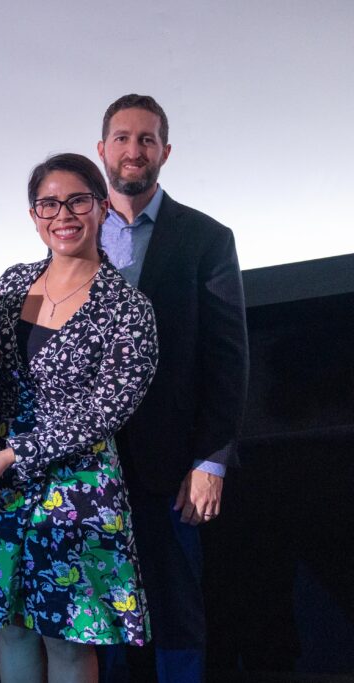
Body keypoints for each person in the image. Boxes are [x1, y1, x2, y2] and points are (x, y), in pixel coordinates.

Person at [0, 153, 159, 683]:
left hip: (76, 488)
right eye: (48, 204)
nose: (64, 214)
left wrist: (15, 455)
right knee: (11, 626)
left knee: (65, 637)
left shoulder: (128, 308)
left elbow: (108, 409)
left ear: (103, 208)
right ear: (34, 216)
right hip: (1, 481)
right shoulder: (14, 283)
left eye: (78, 200)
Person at [96, 94, 249, 682]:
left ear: (165, 151)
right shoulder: (71, 234)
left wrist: (211, 460)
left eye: (146, 139)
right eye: (123, 138)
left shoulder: (206, 238)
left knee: (176, 620)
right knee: (103, 625)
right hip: (92, 471)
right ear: (102, 148)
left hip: (174, 472)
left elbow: (228, 358)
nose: (133, 151)